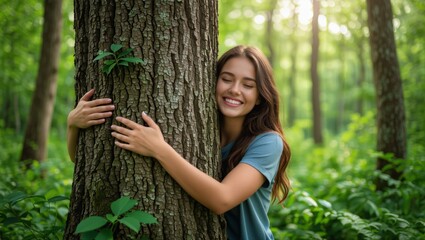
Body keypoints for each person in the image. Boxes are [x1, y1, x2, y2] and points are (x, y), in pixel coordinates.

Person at [67, 45, 291, 240]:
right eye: (227, 79)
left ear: (261, 95)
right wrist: (73, 126)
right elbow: (88, 165)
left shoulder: (268, 142)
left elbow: (222, 199)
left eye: (248, 85)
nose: (234, 89)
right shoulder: (203, 128)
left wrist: (159, 149)